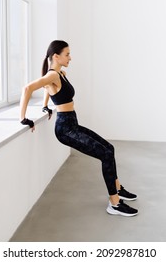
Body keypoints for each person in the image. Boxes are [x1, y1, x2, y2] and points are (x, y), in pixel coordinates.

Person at [20, 40, 138, 217]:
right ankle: (114, 203)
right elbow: (28, 88)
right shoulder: (53, 75)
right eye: (67, 54)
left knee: (109, 148)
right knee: (105, 154)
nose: (70, 57)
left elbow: (48, 89)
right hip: (65, 129)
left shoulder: (61, 74)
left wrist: (46, 105)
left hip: (72, 123)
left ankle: (118, 189)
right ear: (56, 56)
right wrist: (23, 118)